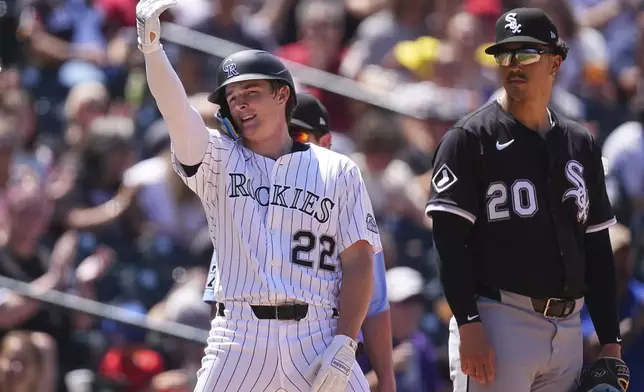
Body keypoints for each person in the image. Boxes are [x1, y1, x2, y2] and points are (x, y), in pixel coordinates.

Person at [136, 1, 382, 392]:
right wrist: (153, 51)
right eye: (232, 98)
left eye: (251, 92)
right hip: (238, 336)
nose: (240, 104)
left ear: (283, 95)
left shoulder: (338, 169)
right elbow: (176, 110)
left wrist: (345, 341)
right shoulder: (218, 156)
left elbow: (358, 263)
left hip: (317, 331)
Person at [426, 8, 625, 392]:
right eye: (505, 55)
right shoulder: (469, 139)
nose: (513, 65)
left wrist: (611, 342)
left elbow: (596, 248)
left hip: (568, 328)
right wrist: (469, 324)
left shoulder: (578, 143)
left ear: (555, 62)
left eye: (527, 54)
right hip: (500, 320)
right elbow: (449, 243)